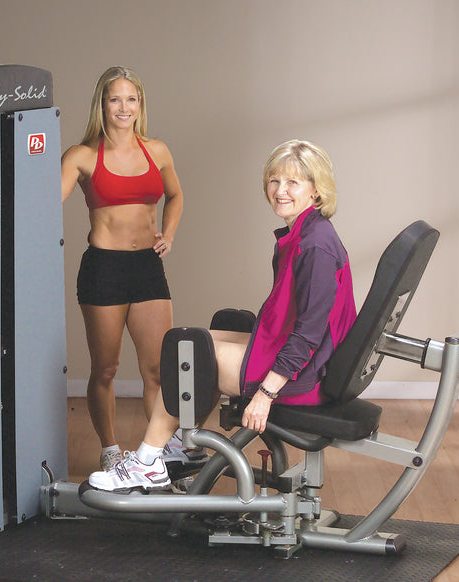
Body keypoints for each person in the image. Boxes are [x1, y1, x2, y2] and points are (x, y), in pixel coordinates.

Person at [88, 139, 358, 492]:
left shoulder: (316, 245)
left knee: (189, 354)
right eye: (274, 180)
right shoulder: (305, 232)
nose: (280, 191)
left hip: (310, 374)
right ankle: (179, 447)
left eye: (293, 182)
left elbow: (310, 332)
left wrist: (265, 394)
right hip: (303, 356)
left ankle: (147, 463)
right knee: (190, 340)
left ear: (316, 190)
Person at [62, 66, 193, 472]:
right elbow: (43, 203)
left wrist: (168, 234)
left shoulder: (157, 151)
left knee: (157, 370)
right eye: (115, 99)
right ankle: (110, 449)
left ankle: (157, 454)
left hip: (146, 267)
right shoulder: (82, 155)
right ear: (102, 104)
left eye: (131, 99)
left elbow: (175, 195)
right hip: (104, 269)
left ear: (140, 104)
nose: (124, 107)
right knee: (105, 369)